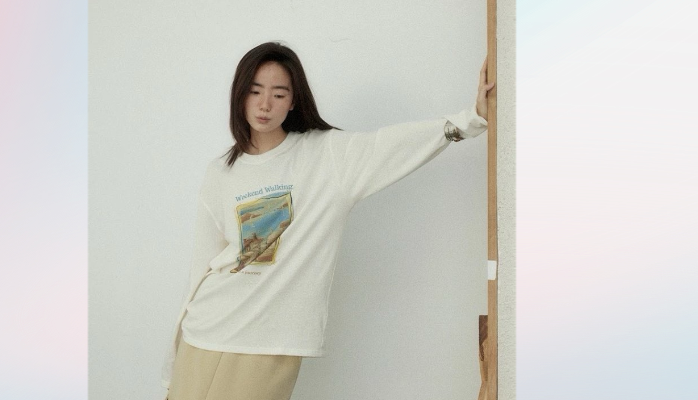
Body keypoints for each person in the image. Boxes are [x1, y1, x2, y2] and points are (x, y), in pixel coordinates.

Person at [161, 41, 494, 400]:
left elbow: (388, 145)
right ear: (239, 95)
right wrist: (171, 361)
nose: (265, 104)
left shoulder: (325, 155)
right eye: (255, 91)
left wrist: (469, 120)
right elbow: (201, 268)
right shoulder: (221, 172)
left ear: (293, 101)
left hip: (270, 344)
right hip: (206, 331)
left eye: (278, 93)